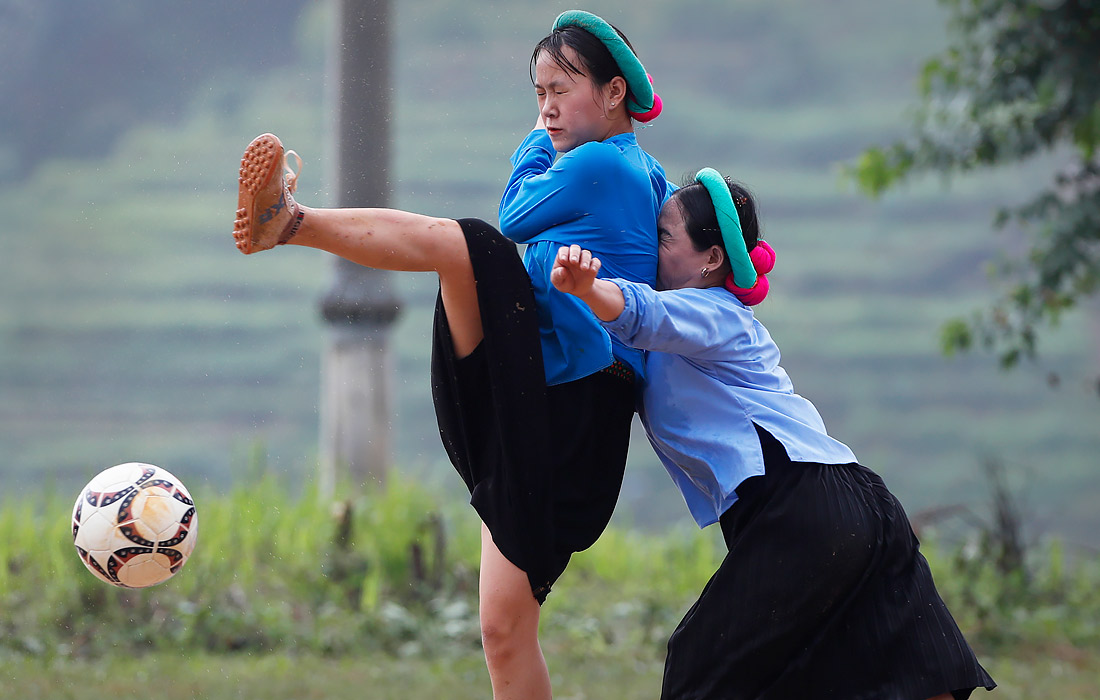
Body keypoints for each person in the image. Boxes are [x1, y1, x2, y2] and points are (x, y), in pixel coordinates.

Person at [231, 11, 671, 700]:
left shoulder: (596, 162)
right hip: (549, 385)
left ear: (615, 93)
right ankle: (284, 223)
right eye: (537, 95)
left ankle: (288, 224)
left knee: (473, 243)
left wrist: (533, 143)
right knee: (503, 633)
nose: (547, 109)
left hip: (573, 408)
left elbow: (518, 213)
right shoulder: (645, 173)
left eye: (562, 90)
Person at [550, 168, 997, 700]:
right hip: (856, 504)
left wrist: (587, 288)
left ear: (711, 259)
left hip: (803, 507)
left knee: (701, 668)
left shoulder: (716, 313)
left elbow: (643, 314)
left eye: (665, 236)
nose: (654, 245)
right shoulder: (702, 316)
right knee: (904, 675)